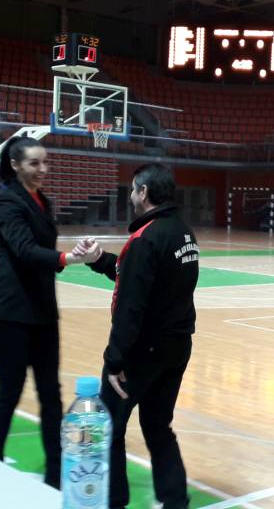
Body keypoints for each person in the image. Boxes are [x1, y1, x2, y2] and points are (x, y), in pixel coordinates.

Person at [76, 164, 199, 509]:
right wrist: (99, 259)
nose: (131, 196)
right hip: (177, 345)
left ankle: (115, 501)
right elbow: (143, 277)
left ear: (143, 192)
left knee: (110, 427)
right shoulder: (183, 232)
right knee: (158, 426)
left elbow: (131, 305)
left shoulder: (145, 238)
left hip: (142, 351)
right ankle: (175, 501)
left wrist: (115, 360)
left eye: (133, 190)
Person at [0, 136, 96, 489]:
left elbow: (42, 250)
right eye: (34, 163)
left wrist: (73, 251)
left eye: (45, 162)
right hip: (8, 312)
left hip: (43, 312)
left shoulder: (43, 201)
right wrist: (68, 258)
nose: (42, 169)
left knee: (50, 395)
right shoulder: (7, 202)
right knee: (10, 392)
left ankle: (56, 475)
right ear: (15, 165)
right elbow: (24, 250)